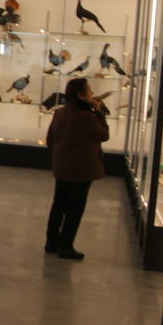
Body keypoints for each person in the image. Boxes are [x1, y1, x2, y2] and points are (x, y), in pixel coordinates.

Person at [44, 77, 109, 260]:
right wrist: (99, 113)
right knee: (75, 208)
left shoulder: (60, 113)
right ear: (81, 95)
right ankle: (66, 246)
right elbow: (103, 135)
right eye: (89, 90)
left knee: (59, 204)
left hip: (62, 167)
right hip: (81, 170)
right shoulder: (87, 116)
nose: (92, 93)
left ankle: (51, 242)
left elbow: (50, 140)